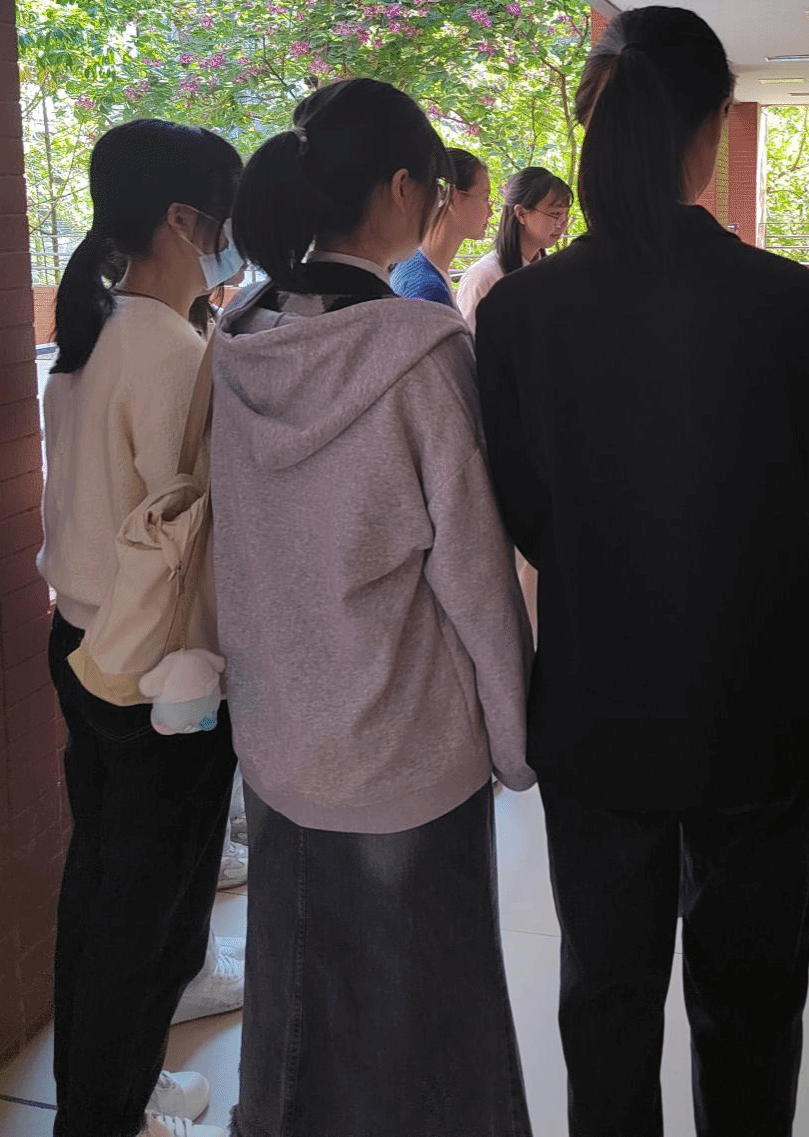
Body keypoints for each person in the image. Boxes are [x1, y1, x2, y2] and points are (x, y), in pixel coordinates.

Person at [476, 7, 809, 1137]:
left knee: (606, 1000)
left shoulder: (521, 313)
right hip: (758, 701)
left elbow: (527, 513)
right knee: (752, 1005)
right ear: (715, 124)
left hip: (598, 700)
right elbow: (791, 487)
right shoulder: (796, 305)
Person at [211, 78, 535, 1137]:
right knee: (428, 1027)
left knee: (298, 1010)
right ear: (401, 188)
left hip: (278, 740)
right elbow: (475, 577)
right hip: (403, 752)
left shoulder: (239, 341)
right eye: (433, 183)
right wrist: (515, 740)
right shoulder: (417, 354)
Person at [39, 119, 244, 1137]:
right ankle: (112, 1112)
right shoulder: (172, 350)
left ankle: (101, 1098)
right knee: (152, 922)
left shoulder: (94, 328)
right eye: (225, 218)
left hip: (81, 648)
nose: (233, 241)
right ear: (181, 219)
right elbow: (198, 526)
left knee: (101, 887)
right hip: (160, 674)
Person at [455, 165, 572, 334]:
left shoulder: (551, 272)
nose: (562, 223)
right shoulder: (485, 277)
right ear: (522, 214)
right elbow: (471, 344)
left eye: (565, 214)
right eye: (555, 214)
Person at [390, 147, 493, 306]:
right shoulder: (426, 291)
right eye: (485, 197)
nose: (490, 212)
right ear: (453, 196)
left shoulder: (413, 264)